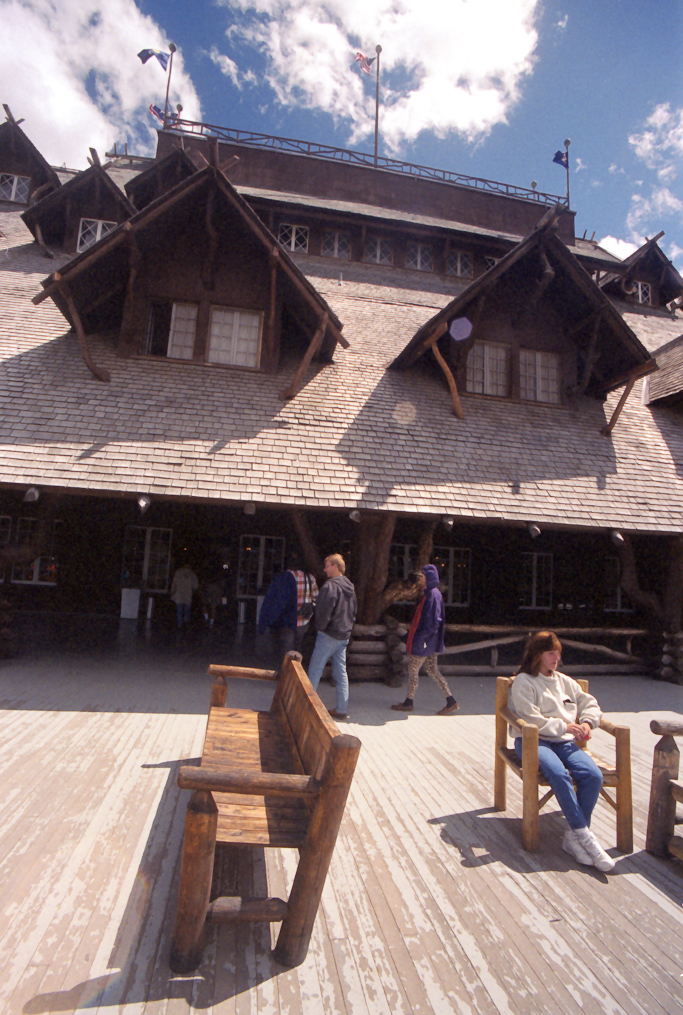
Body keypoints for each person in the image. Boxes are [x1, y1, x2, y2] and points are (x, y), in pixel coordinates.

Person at [509, 630, 614, 872]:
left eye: (558, 653)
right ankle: (585, 837)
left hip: (564, 742)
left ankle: (572, 837)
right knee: (559, 774)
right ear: (537, 655)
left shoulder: (565, 681)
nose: (556, 658)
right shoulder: (524, 681)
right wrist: (565, 725)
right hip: (533, 741)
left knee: (593, 775)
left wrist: (587, 722)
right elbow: (529, 717)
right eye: (550, 653)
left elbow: (589, 702)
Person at [391, 564, 459, 715]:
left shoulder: (433, 595)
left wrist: (423, 640)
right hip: (429, 642)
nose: (419, 580)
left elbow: (433, 621)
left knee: (413, 669)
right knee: (432, 669)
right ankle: (451, 701)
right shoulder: (431, 594)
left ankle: (409, 702)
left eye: (421, 577)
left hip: (425, 642)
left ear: (428, 578)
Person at [307, 553, 356, 720]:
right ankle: (341, 709)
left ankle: (306, 708)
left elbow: (323, 612)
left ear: (335, 566)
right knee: (341, 673)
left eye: (327, 565)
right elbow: (353, 611)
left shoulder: (330, 587)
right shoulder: (350, 586)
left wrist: (319, 627)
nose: (324, 569)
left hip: (328, 634)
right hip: (343, 635)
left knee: (315, 671)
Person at [258, 552, 319, 656]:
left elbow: (278, 599)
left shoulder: (285, 577)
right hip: (304, 619)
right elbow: (316, 598)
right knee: (298, 646)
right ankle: (296, 668)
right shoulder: (311, 578)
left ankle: (287, 670)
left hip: (289, 619)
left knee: (287, 649)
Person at [170, 562, 199, 630]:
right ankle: (186, 622)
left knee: (179, 610)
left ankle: (180, 624)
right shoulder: (192, 574)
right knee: (187, 610)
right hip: (188, 594)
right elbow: (195, 586)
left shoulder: (178, 572)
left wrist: (172, 591)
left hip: (179, 594)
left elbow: (174, 583)